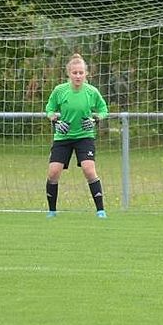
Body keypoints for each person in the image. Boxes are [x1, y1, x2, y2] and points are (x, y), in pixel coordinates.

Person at [45, 53, 110, 218]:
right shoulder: (60, 90)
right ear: (69, 73)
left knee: (89, 169)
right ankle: (52, 211)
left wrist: (95, 119)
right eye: (75, 73)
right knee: (53, 172)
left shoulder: (91, 91)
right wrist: (55, 120)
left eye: (81, 72)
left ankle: (101, 211)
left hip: (84, 136)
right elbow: (49, 109)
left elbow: (103, 110)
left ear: (86, 73)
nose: (78, 76)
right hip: (63, 137)